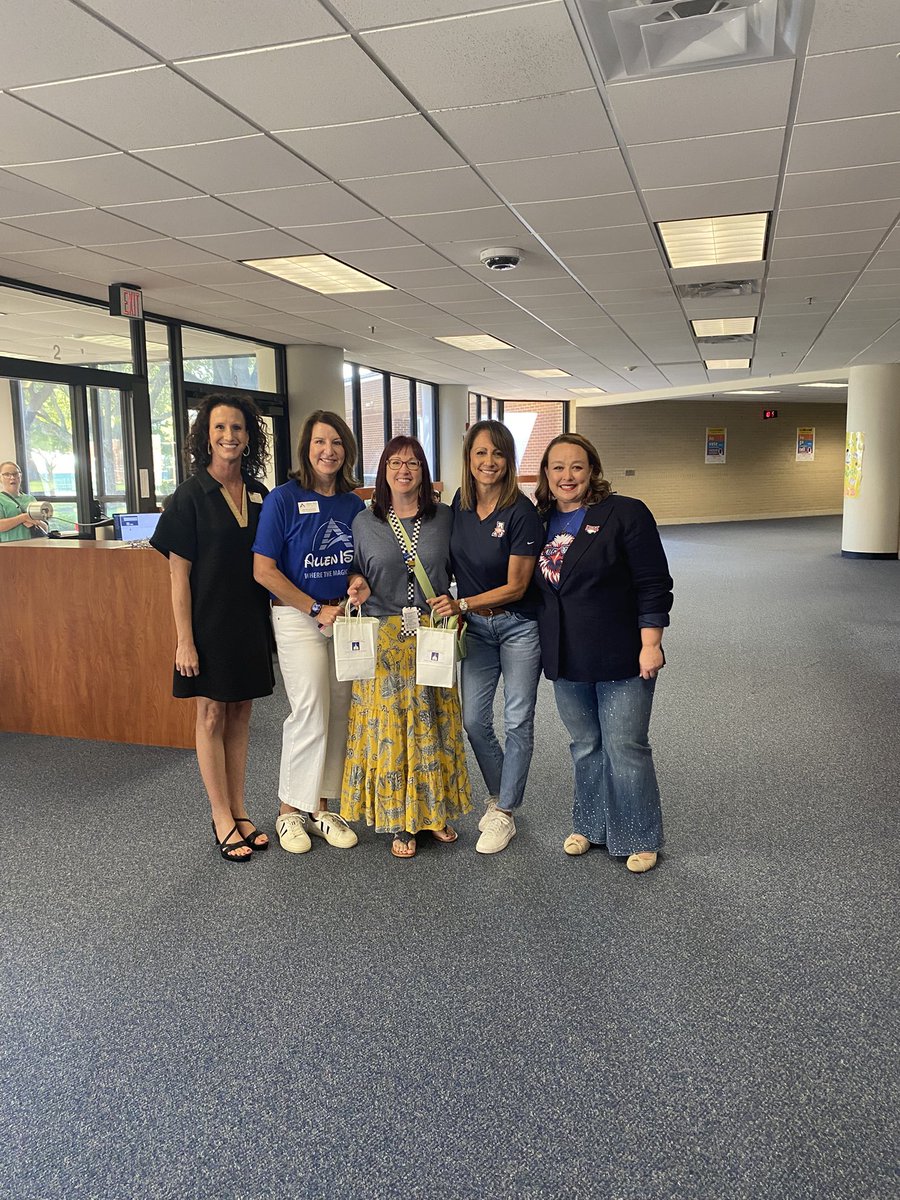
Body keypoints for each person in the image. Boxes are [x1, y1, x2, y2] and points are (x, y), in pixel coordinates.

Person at [532, 433, 673, 874]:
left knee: (625, 746)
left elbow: (653, 582)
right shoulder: (539, 520)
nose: (567, 476)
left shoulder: (625, 512)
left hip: (621, 653)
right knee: (585, 745)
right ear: (546, 474)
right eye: (557, 467)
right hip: (565, 655)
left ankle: (638, 836)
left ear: (592, 470)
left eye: (576, 466)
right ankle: (590, 826)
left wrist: (651, 643)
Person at [150, 395, 275, 863]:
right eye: (220, 427)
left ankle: (240, 809)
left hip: (250, 621)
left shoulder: (259, 493)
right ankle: (220, 816)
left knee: (241, 712)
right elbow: (177, 577)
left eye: (237, 428)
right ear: (205, 436)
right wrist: (184, 640)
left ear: (249, 436)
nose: (229, 436)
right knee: (210, 715)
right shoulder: (188, 497)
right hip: (207, 624)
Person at [343, 437, 471, 858]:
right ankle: (400, 819)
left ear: (423, 471)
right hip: (384, 638)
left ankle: (433, 812)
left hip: (432, 634)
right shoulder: (365, 522)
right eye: (395, 462)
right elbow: (356, 569)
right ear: (384, 470)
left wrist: (460, 606)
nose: (404, 470)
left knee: (434, 724)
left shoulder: (445, 518)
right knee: (393, 732)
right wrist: (355, 583)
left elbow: (462, 566)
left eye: (413, 463)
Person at [429, 420, 543, 855]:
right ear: (469, 458)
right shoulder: (459, 503)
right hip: (475, 629)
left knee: (517, 720)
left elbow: (517, 586)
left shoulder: (521, 512)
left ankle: (506, 811)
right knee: (474, 721)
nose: (489, 461)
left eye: (497, 453)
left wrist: (462, 604)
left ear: (509, 460)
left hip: (518, 626)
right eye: (481, 452)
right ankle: (500, 798)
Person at [253, 410, 363, 857]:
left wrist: (357, 582)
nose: (328, 451)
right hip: (299, 617)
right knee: (309, 710)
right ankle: (288, 811)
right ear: (306, 447)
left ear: (346, 450)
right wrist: (314, 608)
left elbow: (356, 564)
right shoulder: (283, 499)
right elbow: (264, 570)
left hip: (342, 617)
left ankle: (320, 807)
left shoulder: (353, 505)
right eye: (320, 442)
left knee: (339, 711)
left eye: (336, 442)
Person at [0, 462, 47, 541]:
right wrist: (23, 517)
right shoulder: (1, 499)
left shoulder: (30, 499)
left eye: (15, 474)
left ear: (20, 476)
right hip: (9, 546)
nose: (12, 477)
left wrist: (36, 522)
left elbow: (45, 527)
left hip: (34, 545)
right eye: (7, 474)